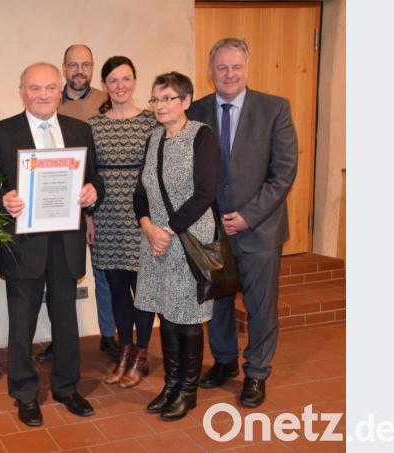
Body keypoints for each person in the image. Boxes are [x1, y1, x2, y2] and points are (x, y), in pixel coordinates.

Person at [0, 62, 105, 427]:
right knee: (21, 324)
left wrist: (92, 190)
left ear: (59, 90)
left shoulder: (79, 129)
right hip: (24, 243)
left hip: (67, 241)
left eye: (49, 87)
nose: (42, 95)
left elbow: (94, 175)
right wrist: (2, 199)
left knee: (67, 320)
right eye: (34, 88)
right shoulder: (1, 133)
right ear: (22, 91)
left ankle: (67, 387)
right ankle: (24, 393)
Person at [187, 38, 297, 408]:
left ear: (247, 68)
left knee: (261, 305)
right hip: (212, 228)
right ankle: (224, 361)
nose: (229, 73)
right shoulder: (197, 110)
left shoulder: (275, 109)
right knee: (217, 301)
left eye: (235, 66)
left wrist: (249, 215)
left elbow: (284, 172)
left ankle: (257, 372)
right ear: (210, 71)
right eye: (222, 67)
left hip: (260, 228)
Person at [133, 71, 220, 421]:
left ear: (186, 101)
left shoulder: (201, 136)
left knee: (187, 319)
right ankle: (170, 385)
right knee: (165, 315)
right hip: (155, 240)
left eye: (168, 98)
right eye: (156, 98)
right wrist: (147, 227)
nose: (160, 105)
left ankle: (188, 390)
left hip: (188, 240)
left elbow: (205, 193)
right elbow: (141, 192)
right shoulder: (153, 137)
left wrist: (165, 231)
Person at [36, 43, 116, 365]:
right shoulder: (51, 103)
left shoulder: (104, 101)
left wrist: (91, 214)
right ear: (64, 68)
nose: (79, 70)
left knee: (103, 274)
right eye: (73, 65)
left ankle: (108, 335)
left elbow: (95, 165)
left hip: (94, 202)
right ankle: (60, 338)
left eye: (85, 64)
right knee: (58, 280)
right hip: (54, 209)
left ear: (92, 67)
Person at [88, 56, 158, 388]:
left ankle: (142, 355)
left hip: (142, 215)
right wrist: (88, 217)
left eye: (126, 79)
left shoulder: (150, 122)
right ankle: (124, 353)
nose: (120, 86)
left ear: (134, 82)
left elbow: (158, 173)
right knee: (116, 288)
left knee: (142, 289)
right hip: (106, 216)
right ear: (105, 84)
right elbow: (88, 176)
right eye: (113, 80)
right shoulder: (93, 125)